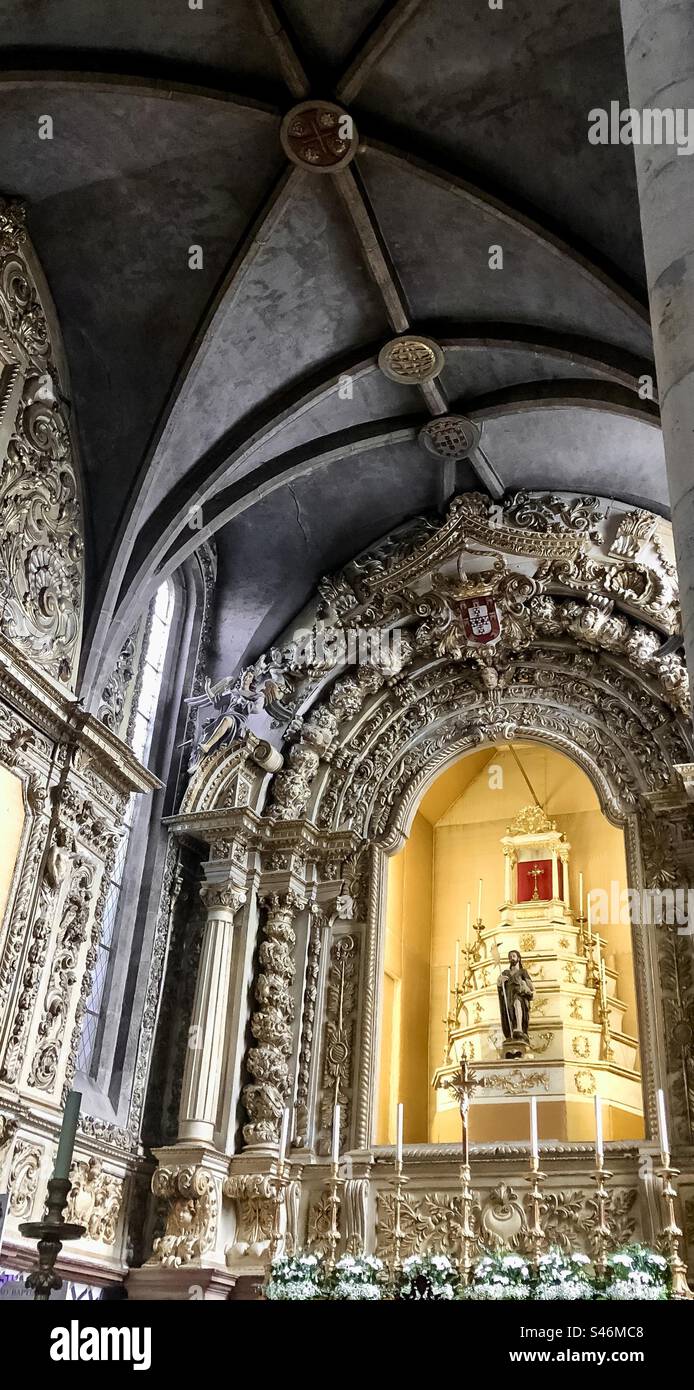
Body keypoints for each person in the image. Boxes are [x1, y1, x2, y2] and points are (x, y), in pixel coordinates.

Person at [497, 949, 534, 1042]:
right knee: (510, 1013)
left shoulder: (522, 972)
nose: (511, 958)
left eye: (513, 956)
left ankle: (519, 1028)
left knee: (517, 1004)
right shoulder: (505, 972)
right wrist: (500, 982)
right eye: (510, 957)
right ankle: (512, 1031)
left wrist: (530, 992)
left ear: (518, 958)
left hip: (519, 995)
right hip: (509, 996)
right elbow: (500, 986)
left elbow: (531, 987)